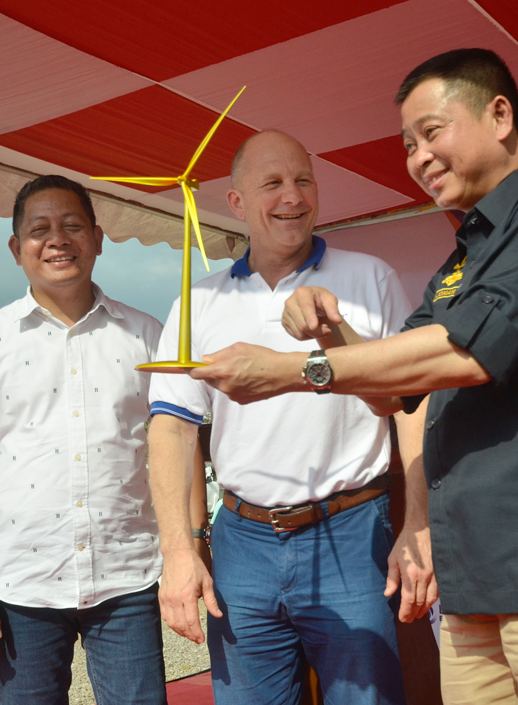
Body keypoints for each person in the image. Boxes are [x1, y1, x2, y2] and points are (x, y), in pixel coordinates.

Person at [191, 49, 518, 704]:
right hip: (474, 583)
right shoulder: (461, 262)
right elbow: (395, 392)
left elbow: (467, 352)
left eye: (432, 132)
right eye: (407, 144)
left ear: (499, 115)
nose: (418, 156)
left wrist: (293, 367)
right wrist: (331, 332)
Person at [148, 129, 425, 705]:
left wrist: (417, 524)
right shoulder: (199, 299)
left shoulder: (369, 276)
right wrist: (178, 550)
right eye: (272, 183)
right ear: (236, 202)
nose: (292, 197)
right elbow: (172, 428)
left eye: (303, 181)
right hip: (242, 539)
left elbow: (412, 407)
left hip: (351, 529)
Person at [0, 175, 167, 705]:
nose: (57, 240)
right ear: (17, 248)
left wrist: (187, 549)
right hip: (22, 587)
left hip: (126, 579)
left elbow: (175, 447)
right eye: (40, 230)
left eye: (72, 226)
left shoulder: (146, 335)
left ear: (99, 237)